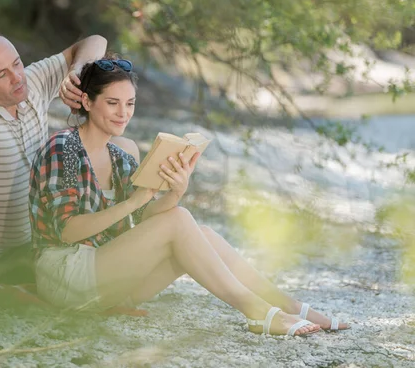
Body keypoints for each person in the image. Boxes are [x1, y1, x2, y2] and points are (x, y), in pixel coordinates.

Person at [29, 57, 349, 336]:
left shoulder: (120, 154)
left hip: (107, 275)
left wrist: (174, 193)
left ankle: (288, 305)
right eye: (112, 103)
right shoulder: (64, 148)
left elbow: (143, 222)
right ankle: (258, 312)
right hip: (65, 275)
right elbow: (67, 230)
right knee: (181, 221)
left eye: (130, 104)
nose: (123, 113)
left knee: (202, 233)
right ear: (86, 101)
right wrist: (134, 202)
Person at [0, 30, 109, 283]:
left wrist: (78, 69)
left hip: (45, 233)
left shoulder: (29, 81)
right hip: (2, 259)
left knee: (121, 148)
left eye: (16, 63)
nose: (17, 77)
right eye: (1, 74)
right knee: (118, 261)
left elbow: (96, 42)